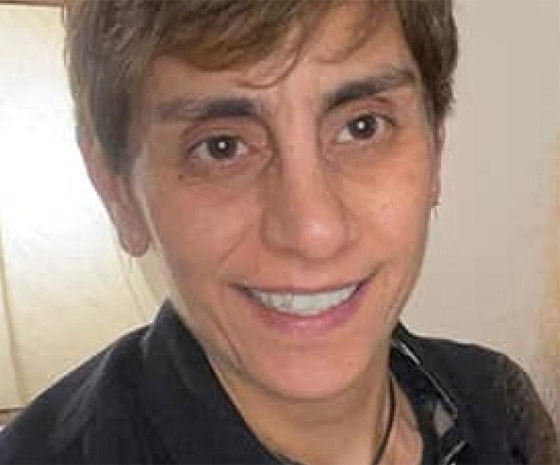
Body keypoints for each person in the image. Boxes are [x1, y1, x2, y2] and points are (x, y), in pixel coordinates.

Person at [0, 0, 557, 463]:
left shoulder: (502, 410)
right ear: (117, 192)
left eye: (362, 127)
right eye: (222, 147)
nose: (314, 231)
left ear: (435, 147)